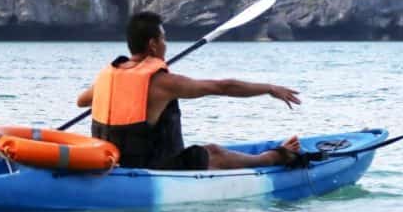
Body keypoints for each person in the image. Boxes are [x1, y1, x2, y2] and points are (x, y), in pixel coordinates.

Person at [76, 11, 302, 170]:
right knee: (213, 153)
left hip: (114, 162)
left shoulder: (109, 76)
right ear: (153, 44)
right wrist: (269, 88)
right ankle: (275, 157)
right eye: (164, 38)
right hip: (153, 168)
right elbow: (222, 86)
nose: (166, 44)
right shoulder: (164, 83)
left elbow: (82, 102)